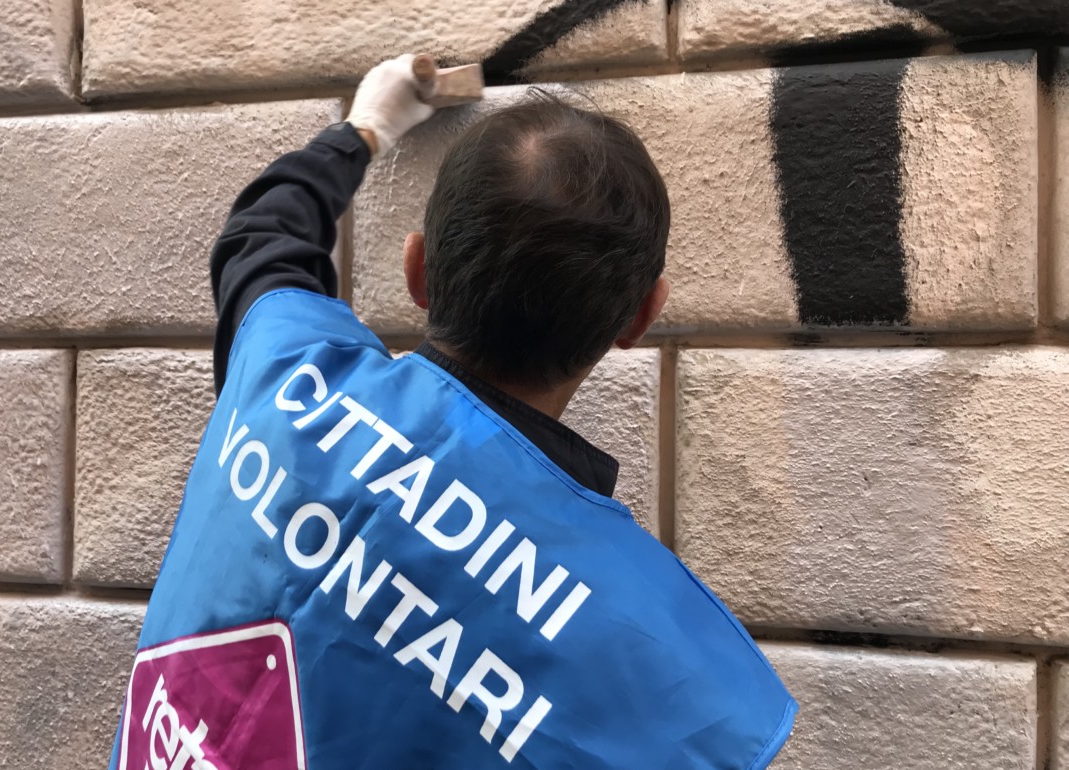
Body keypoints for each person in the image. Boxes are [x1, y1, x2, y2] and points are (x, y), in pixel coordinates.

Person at [109, 55, 795, 770]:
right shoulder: (673, 680)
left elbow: (261, 237)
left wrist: (365, 128)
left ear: (416, 271)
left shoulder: (285, 372)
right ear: (640, 319)